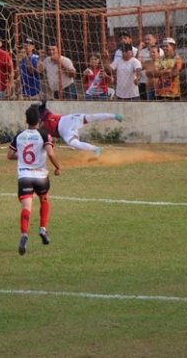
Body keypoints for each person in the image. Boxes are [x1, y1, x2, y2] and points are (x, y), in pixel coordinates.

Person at [7, 106, 61, 255]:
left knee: (26, 207)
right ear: (39, 120)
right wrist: (58, 167)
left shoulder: (19, 135)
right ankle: (43, 229)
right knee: (44, 199)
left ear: (26, 120)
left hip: (24, 177)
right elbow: (50, 153)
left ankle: (24, 234)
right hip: (41, 177)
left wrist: (23, 157)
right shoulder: (44, 135)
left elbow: (10, 155)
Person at [33, 100, 122, 157]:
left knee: (91, 117)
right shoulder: (38, 129)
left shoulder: (43, 112)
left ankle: (115, 116)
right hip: (64, 132)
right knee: (74, 143)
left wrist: (39, 103)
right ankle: (95, 149)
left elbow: (42, 102)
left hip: (67, 120)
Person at [137, 33, 161, 100]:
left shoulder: (162, 62)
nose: (152, 54)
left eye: (154, 52)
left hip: (160, 87)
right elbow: (138, 66)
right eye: (151, 52)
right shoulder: (147, 63)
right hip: (148, 87)